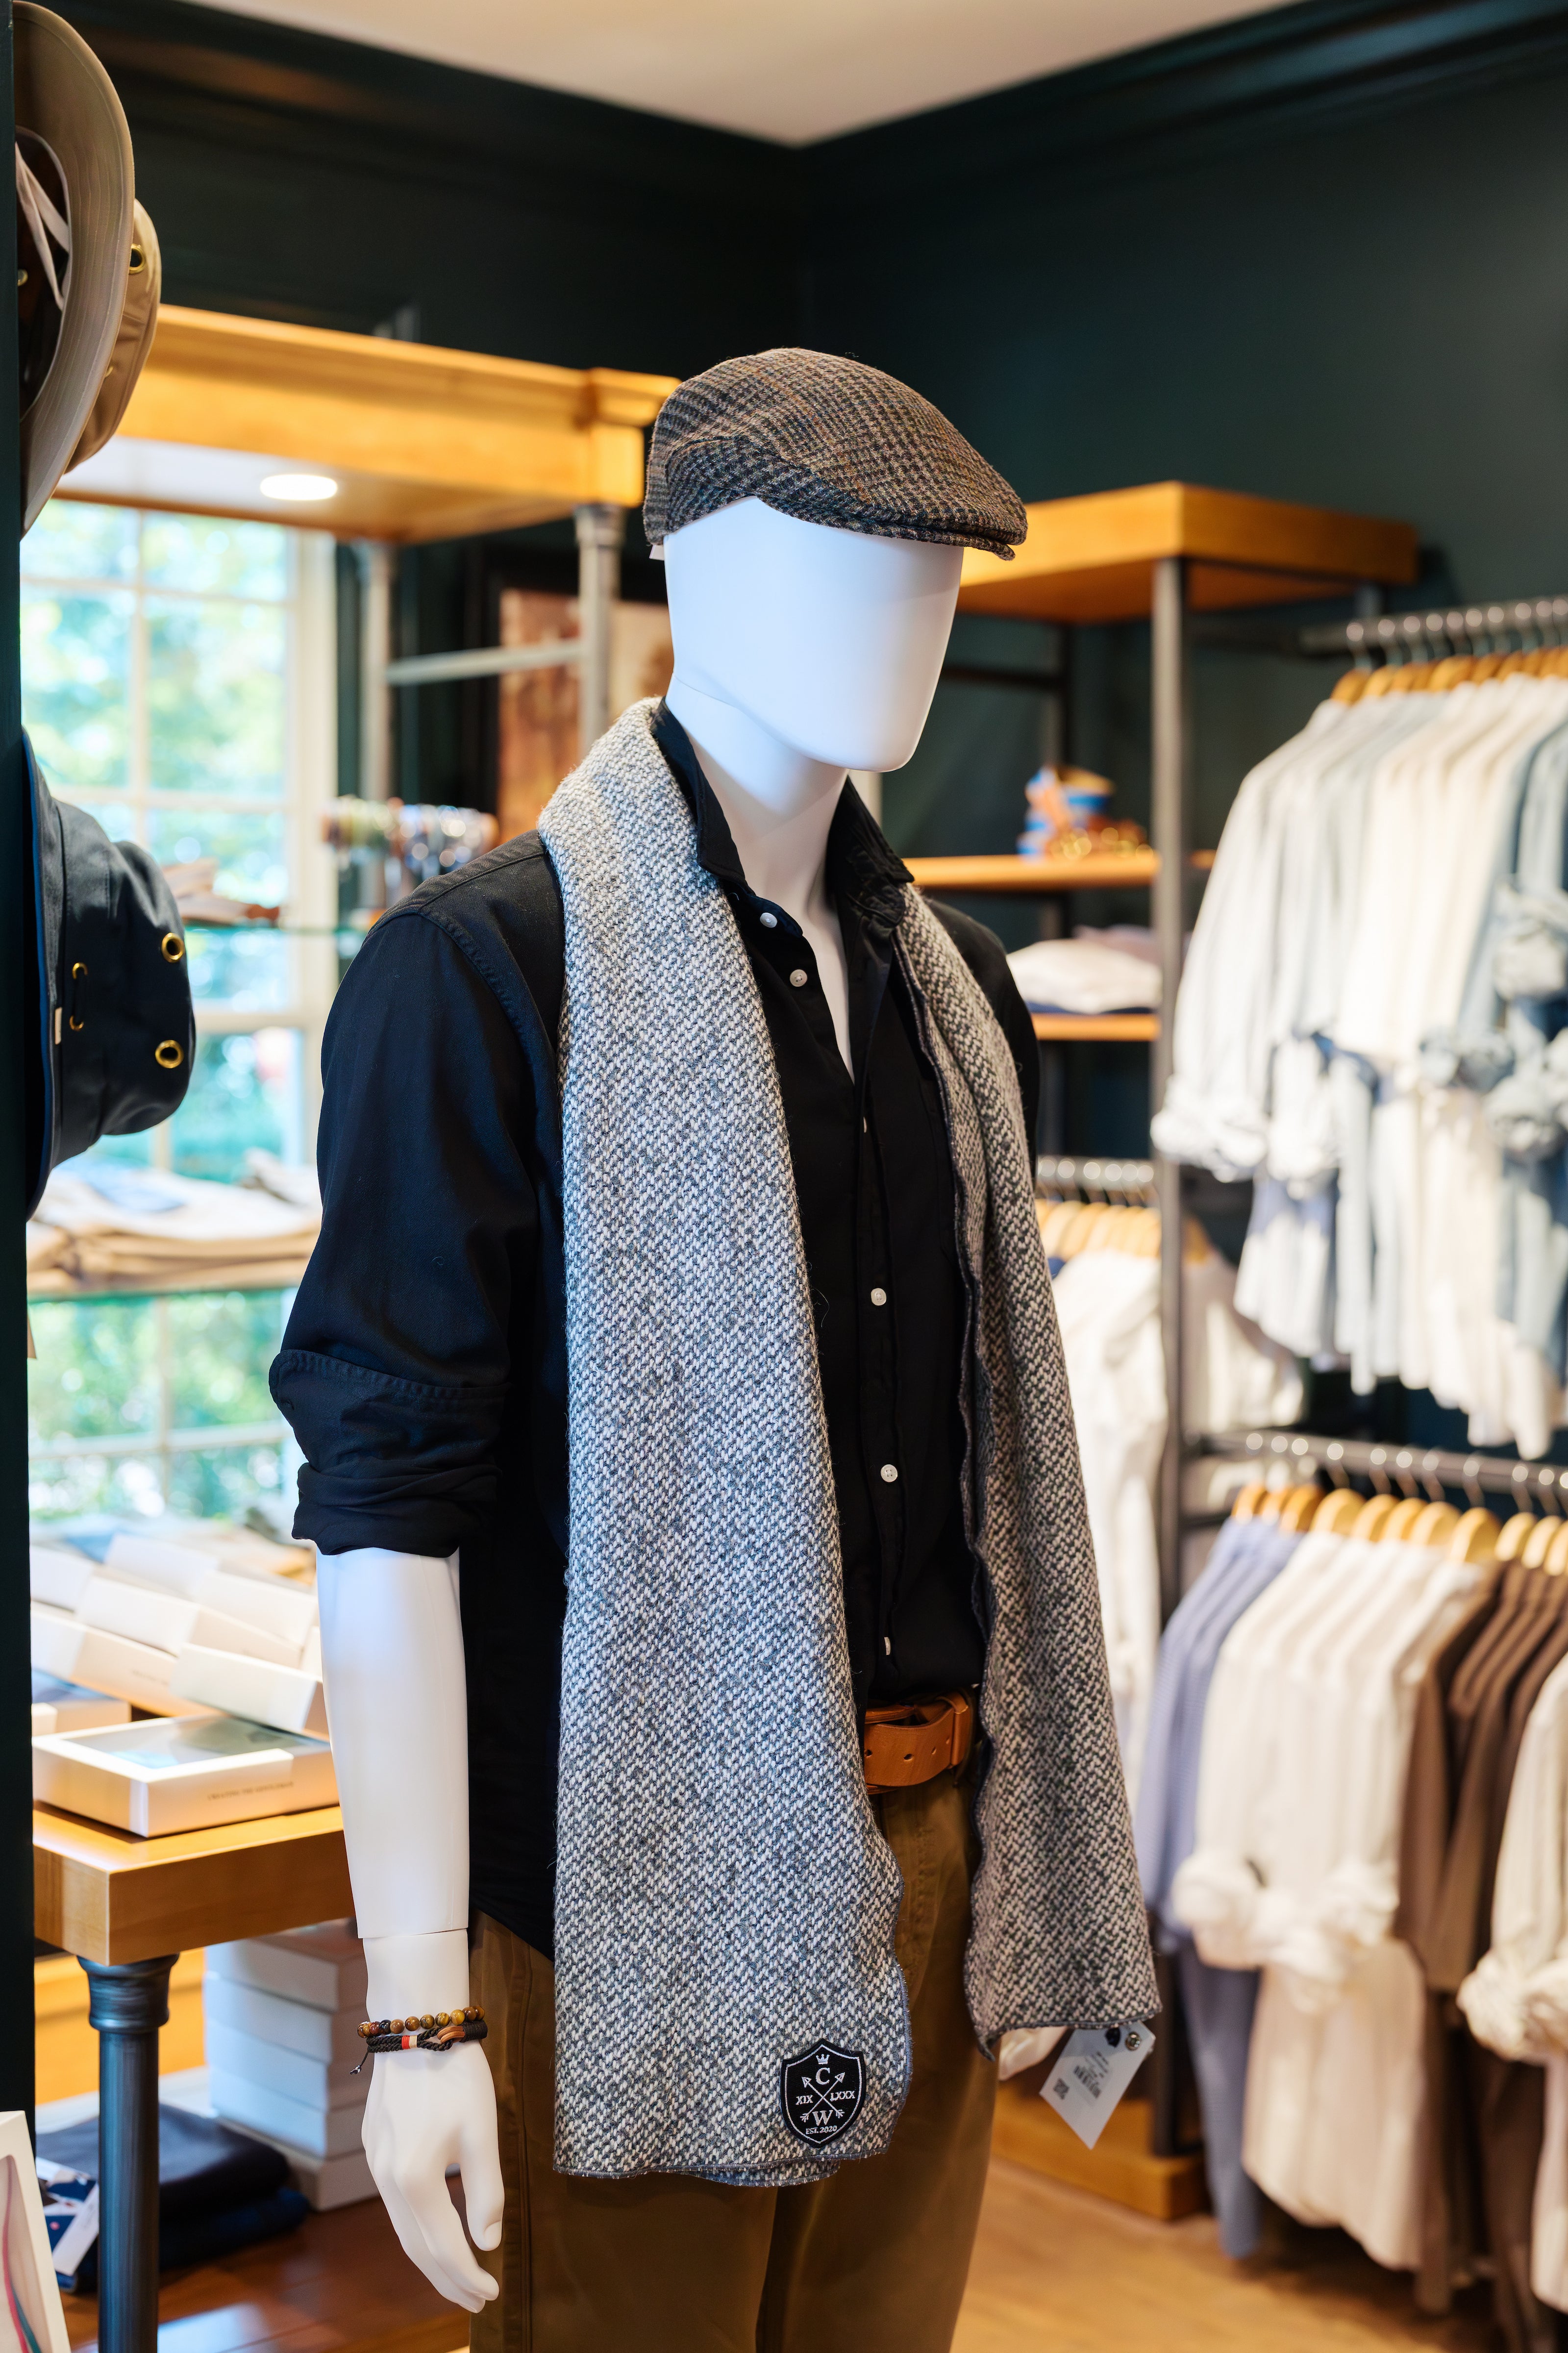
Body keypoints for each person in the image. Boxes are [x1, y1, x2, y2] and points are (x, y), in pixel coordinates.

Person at [272, 348, 1155, 2353]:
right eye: (850, 560)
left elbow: (988, 1460)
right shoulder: (483, 971)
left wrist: (1004, 1868)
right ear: (699, 568)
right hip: (624, 1882)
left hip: (931, 1842)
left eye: (936, 574)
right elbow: (383, 1511)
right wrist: (418, 2007)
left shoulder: (961, 996)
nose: (906, 619)